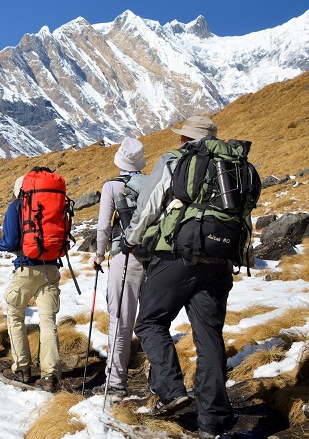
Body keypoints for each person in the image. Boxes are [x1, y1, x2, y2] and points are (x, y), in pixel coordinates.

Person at [122, 116, 238, 437]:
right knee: (209, 336)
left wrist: (131, 238)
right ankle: (212, 421)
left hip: (175, 255)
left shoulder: (176, 160)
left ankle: (171, 392)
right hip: (219, 260)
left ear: (185, 138)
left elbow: (149, 203)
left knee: (149, 321)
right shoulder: (231, 166)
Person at [0, 176, 62, 392]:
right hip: (51, 268)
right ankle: (50, 376)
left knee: (15, 315)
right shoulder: (52, 204)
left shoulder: (17, 206)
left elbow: (10, 241)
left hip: (26, 269)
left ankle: (22, 368)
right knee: (48, 322)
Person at [90, 137, 147, 397]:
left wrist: (99, 255)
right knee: (152, 321)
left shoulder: (112, 186)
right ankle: (158, 379)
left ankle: (115, 383)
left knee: (121, 320)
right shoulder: (152, 183)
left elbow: (104, 226)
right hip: (156, 259)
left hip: (126, 257)